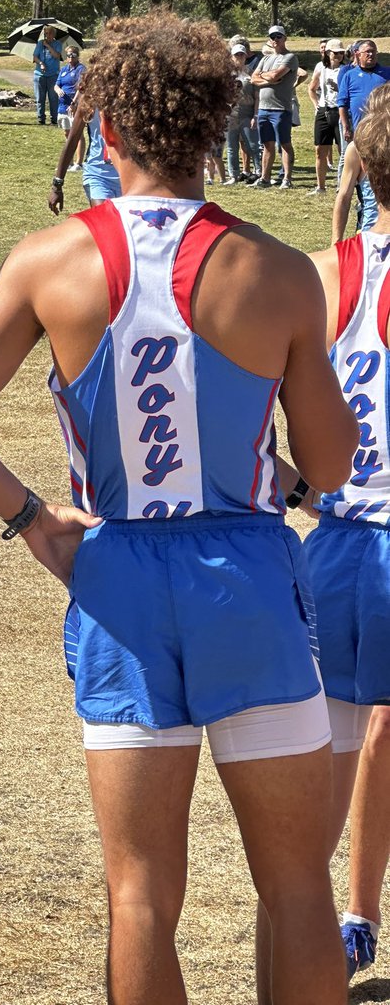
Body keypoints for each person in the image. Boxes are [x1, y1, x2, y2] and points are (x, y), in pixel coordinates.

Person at [0, 10, 358, 1005]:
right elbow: (328, 465)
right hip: (247, 574)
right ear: (216, 127)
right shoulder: (280, 270)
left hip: (116, 575)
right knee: (295, 888)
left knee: (140, 898)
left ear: (103, 131)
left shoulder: (47, 261)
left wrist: (34, 522)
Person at [287, 82, 390, 982]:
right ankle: (354, 913)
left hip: (338, 539)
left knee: (342, 734)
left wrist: (290, 480)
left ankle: (322, 922)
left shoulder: (323, 272)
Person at [337, 40, 390, 233]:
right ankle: (365, 218)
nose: (371, 55)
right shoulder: (349, 75)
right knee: (355, 180)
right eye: (367, 52)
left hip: (383, 137)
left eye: (374, 51)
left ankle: (369, 223)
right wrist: (346, 126)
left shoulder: (387, 73)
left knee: (374, 185)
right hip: (359, 135)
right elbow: (342, 103)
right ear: (357, 54)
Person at [48, 78, 121, 214]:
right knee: (105, 220)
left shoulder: (137, 97)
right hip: (99, 175)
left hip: (132, 177)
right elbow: (72, 140)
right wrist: (57, 185)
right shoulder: (90, 99)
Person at [250, 24, 299, 190]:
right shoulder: (265, 59)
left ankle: (287, 178)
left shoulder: (290, 57)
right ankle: (265, 178)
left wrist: (266, 77)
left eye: (279, 36)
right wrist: (267, 79)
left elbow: (276, 75)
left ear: (285, 38)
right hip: (264, 108)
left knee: (284, 144)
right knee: (267, 144)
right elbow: (253, 79)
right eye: (272, 37)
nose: (275, 40)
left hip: (281, 108)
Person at [308, 40, 346, 195]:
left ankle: (342, 185)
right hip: (324, 110)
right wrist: (316, 105)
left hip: (340, 110)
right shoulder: (320, 67)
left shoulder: (346, 69)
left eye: (341, 52)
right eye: (335, 52)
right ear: (328, 52)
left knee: (343, 150)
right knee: (320, 149)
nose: (338, 55)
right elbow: (311, 88)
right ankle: (320, 186)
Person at [225, 42, 260, 185]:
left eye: (242, 54)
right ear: (232, 57)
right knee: (232, 146)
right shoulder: (226, 75)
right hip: (231, 114)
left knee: (252, 145)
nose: (239, 57)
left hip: (247, 113)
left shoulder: (252, 73)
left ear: (246, 56)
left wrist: (256, 115)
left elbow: (258, 96)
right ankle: (234, 175)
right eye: (236, 55)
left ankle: (259, 172)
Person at [54, 46, 86, 167]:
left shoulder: (81, 69)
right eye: (68, 55)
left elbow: (82, 88)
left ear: (77, 56)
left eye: (73, 55)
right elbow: (56, 85)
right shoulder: (64, 70)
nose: (70, 58)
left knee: (77, 133)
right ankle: (69, 161)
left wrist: (74, 103)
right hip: (63, 106)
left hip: (74, 105)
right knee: (67, 133)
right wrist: (57, 90)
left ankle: (79, 163)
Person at [32, 25, 63, 124]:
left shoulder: (57, 44)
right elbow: (35, 57)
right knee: (40, 98)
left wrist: (48, 46)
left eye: (49, 33)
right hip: (39, 75)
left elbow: (57, 55)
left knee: (53, 98)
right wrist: (41, 63)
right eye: (46, 33)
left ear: (53, 34)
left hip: (53, 75)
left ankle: (54, 118)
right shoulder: (40, 43)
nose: (47, 35)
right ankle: (41, 118)